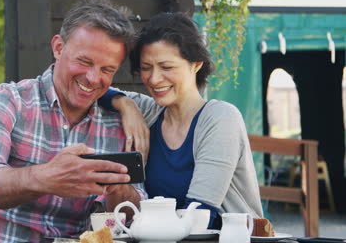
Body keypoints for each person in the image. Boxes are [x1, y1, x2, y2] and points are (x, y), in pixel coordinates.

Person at [0, 0, 147, 243]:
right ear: (58, 48)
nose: (93, 78)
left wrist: (118, 188)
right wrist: (46, 177)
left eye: (107, 70)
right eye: (84, 62)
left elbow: (133, 212)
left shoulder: (118, 123)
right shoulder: (6, 101)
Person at [100, 12, 263, 229]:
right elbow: (97, 89)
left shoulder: (221, 118)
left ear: (196, 64)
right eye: (146, 68)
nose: (154, 78)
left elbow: (199, 215)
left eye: (167, 67)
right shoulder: (150, 111)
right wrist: (125, 104)